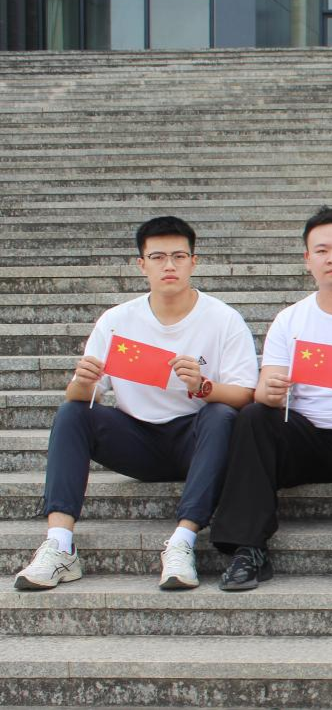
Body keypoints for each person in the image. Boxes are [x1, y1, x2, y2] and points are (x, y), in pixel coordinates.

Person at [14, 216, 257, 591]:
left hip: (197, 442)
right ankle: (60, 545)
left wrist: (203, 386)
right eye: (158, 257)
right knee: (71, 413)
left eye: (178, 256)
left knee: (221, 413)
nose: (169, 265)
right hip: (136, 440)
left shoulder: (223, 319)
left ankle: (182, 541)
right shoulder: (117, 320)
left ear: (194, 261)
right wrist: (83, 382)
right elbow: (82, 397)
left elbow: (245, 394)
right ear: (141, 264)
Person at [208, 207, 332, 592]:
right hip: (305, 440)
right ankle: (249, 548)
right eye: (322, 250)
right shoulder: (290, 319)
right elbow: (264, 386)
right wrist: (270, 392)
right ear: (307, 259)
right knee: (253, 416)